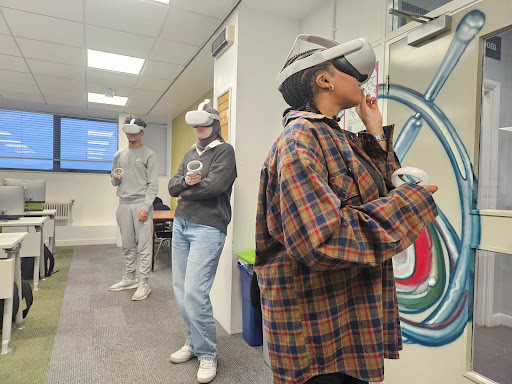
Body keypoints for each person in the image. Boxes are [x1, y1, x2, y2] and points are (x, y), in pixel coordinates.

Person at [255, 35, 439, 384]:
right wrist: (411, 204)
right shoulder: (300, 142)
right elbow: (322, 240)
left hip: (348, 312)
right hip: (316, 325)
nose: (361, 81)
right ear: (324, 80)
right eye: (352, 74)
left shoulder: (339, 138)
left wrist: (374, 131)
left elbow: (380, 193)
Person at [168, 100, 237, 384]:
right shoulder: (189, 152)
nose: (200, 128)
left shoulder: (224, 151)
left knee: (196, 293)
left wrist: (186, 191)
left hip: (208, 227)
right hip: (181, 225)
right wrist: (185, 186)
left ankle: (208, 353)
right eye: (196, 124)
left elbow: (215, 187)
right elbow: (173, 187)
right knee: (182, 292)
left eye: (205, 123)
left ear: (215, 123)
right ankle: (194, 343)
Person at [109, 116, 158, 301]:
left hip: (141, 204)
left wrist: (146, 206)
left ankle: (144, 283)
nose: (131, 135)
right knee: (127, 244)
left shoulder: (149, 154)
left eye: (134, 132)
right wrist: (116, 179)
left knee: (144, 246)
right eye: (128, 132)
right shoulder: (118, 155)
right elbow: (113, 180)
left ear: (142, 133)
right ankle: (130, 277)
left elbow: (153, 184)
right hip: (123, 204)